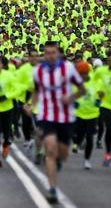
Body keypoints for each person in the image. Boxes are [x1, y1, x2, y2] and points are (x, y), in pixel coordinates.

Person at [27, 41, 84, 204]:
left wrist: (71, 98)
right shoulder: (38, 71)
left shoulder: (68, 68)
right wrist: (32, 105)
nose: (50, 55)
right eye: (47, 53)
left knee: (63, 153)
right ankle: (52, 189)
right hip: (47, 114)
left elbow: (82, 89)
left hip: (66, 116)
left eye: (53, 52)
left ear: (58, 53)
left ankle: (59, 160)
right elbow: (37, 90)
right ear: (44, 54)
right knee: (50, 150)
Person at [72, 61, 101, 170]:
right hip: (79, 114)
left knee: (90, 138)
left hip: (93, 114)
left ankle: (87, 160)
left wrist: (99, 100)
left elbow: (101, 92)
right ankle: (78, 142)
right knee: (79, 136)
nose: (82, 75)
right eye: (80, 73)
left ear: (88, 72)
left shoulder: (95, 81)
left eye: (84, 73)